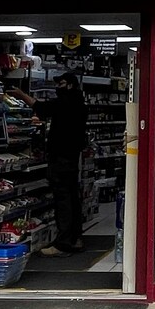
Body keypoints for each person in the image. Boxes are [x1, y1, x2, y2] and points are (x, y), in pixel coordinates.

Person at [37, 70, 90, 257]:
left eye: (60, 84)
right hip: (72, 159)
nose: (57, 87)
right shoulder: (80, 104)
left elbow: (41, 109)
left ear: (69, 85)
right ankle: (75, 239)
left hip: (60, 158)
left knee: (63, 201)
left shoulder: (65, 103)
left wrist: (20, 96)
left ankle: (63, 244)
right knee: (73, 199)